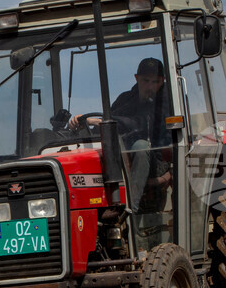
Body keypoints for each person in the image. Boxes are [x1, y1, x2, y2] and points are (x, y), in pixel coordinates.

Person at [70, 57, 173, 213]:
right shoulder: (125, 99)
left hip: (156, 160)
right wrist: (81, 124)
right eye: (146, 81)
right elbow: (107, 125)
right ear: (136, 78)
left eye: (155, 82)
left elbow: (142, 123)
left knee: (140, 145)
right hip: (124, 158)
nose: (150, 86)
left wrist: (99, 121)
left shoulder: (166, 101)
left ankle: (131, 208)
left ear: (163, 81)